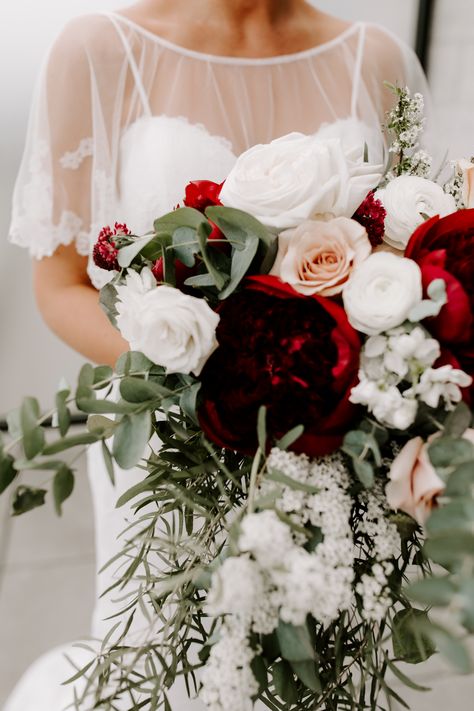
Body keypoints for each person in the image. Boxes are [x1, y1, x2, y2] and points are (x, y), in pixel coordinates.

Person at [4, 1, 431, 708]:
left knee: (309, 667)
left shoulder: (376, 60)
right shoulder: (100, 51)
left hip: (324, 445)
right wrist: (199, 376)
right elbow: (60, 285)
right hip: (169, 442)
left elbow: (407, 265)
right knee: (158, 660)